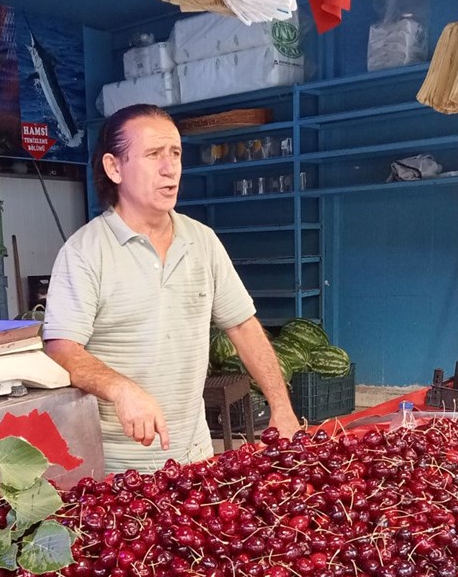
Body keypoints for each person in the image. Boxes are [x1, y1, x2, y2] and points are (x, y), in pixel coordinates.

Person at [43, 104, 302, 473]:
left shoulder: (203, 241)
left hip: (193, 454)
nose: (170, 168)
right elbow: (62, 349)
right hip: (116, 467)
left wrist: (281, 406)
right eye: (153, 155)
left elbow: (243, 326)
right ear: (114, 167)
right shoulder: (85, 252)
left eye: (175, 154)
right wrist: (121, 389)